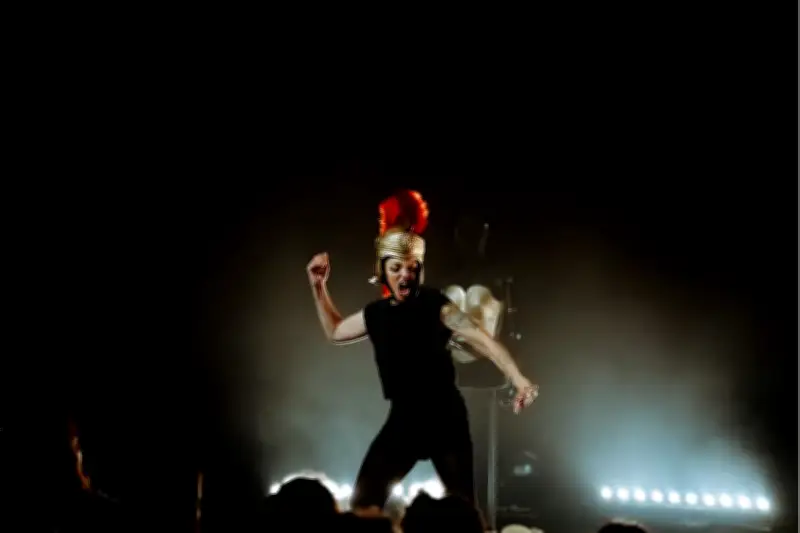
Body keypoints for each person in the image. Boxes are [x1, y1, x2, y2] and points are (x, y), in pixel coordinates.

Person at [307, 190, 539, 517]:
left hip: (445, 418)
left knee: (464, 510)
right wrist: (318, 287)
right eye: (397, 267)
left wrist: (518, 379)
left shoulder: (435, 305)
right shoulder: (376, 314)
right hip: (404, 419)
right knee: (363, 505)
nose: (405, 274)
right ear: (383, 271)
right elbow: (335, 331)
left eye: (412, 268)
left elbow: (484, 341)